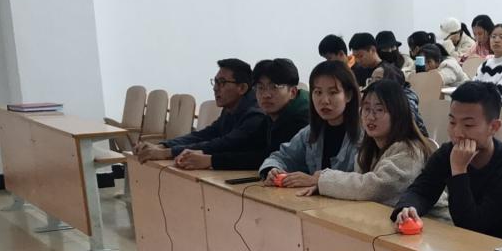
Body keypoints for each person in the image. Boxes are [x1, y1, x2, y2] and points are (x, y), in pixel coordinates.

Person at [392, 81, 502, 243]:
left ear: (494, 127)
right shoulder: (448, 152)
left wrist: (459, 170)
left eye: (468, 125)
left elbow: (471, 226)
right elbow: (421, 191)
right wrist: (408, 208)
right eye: (452, 122)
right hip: (466, 245)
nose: (457, 132)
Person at [278, 79, 433, 207]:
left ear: (398, 114)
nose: (370, 117)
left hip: (430, 224)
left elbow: (374, 188)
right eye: (366, 109)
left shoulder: (409, 150)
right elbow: (358, 187)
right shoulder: (368, 149)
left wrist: (322, 180)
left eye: (379, 110)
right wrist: (321, 187)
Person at [180, 58, 309, 171]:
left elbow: (269, 157)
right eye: (260, 87)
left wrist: (211, 160)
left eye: (274, 87)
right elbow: (246, 145)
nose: (266, 95)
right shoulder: (271, 116)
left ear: (292, 92)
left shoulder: (302, 119)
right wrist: (202, 153)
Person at [135, 59, 264, 163]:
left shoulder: (255, 114)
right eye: (215, 82)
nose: (215, 88)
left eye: (222, 83)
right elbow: (205, 135)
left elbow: (223, 144)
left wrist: (166, 153)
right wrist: (163, 146)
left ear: (242, 88)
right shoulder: (231, 107)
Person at [259, 60, 361, 181]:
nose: (324, 100)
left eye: (333, 92)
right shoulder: (310, 132)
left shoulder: (365, 134)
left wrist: (318, 180)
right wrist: (273, 169)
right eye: (318, 92)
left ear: (348, 95)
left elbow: (366, 181)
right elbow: (283, 157)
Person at [368, 62, 428, 136]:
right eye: (371, 79)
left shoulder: (406, 100)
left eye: (377, 80)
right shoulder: (375, 98)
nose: (372, 84)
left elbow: (405, 124)